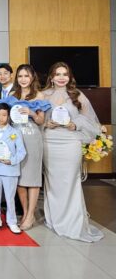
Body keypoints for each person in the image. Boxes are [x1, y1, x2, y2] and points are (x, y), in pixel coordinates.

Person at [42, 62, 103, 242]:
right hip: (49, 142)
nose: (61, 78)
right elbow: (36, 118)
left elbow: (91, 122)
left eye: (65, 74)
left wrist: (74, 125)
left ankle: (73, 223)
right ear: (51, 77)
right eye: (58, 74)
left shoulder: (78, 95)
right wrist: (46, 123)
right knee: (52, 182)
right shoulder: (43, 95)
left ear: (70, 77)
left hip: (70, 143)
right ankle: (54, 219)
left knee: (70, 181)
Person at [4, 64, 49, 231]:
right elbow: (7, 119)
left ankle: (31, 215)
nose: (23, 79)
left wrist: (31, 113)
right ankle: (25, 212)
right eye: (20, 76)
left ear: (32, 78)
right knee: (19, 178)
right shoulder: (12, 95)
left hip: (32, 138)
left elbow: (41, 121)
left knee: (33, 178)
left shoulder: (39, 95)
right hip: (15, 138)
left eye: (26, 76)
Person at [0, 103, 26, 234]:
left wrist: (11, 161)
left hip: (10, 170)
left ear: (8, 116)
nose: (1, 118)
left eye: (4, 115)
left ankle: (12, 221)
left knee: (10, 198)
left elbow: (22, 152)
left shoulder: (15, 132)